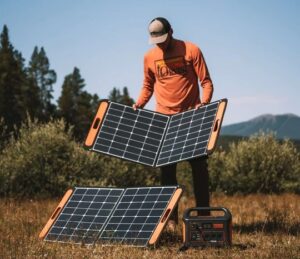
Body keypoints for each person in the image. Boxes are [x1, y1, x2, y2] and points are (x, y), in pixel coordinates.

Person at [133, 17, 214, 230]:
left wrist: (204, 104)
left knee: (199, 169)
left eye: (162, 38)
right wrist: (139, 103)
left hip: (191, 118)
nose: (160, 43)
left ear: (171, 31)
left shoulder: (191, 50)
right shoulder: (149, 57)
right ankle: (170, 223)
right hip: (164, 121)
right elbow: (147, 85)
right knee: (167, 174)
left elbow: (206, 83)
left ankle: (203, 217)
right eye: (155, 40)